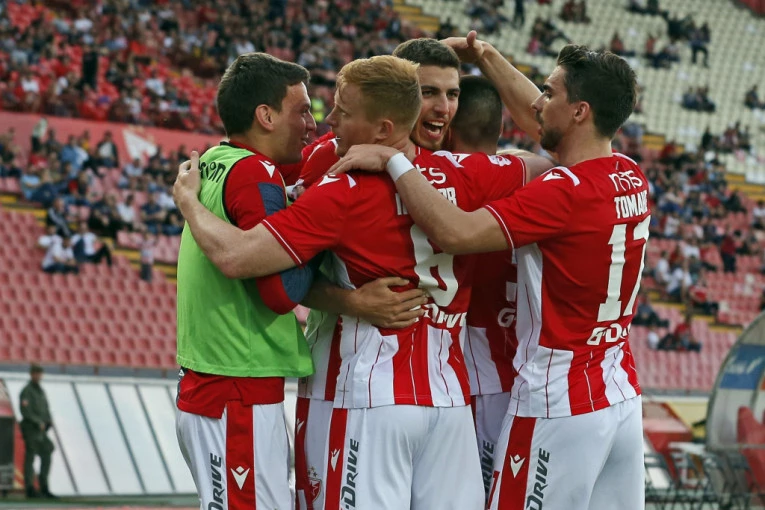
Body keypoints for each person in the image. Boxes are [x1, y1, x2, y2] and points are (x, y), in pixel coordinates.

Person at [174, 55, 551, 510]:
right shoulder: (467, 172)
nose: (329, 120)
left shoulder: (342, 189)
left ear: (383, 128)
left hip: (371, 394)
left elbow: (239, 258)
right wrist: (400, 159)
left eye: (343, 111)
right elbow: (543, 165)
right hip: (450, 397)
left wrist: (189, 203)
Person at [329, 35, 647, 510]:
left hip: (558, 398)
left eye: (549, 93)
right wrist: (486, 55)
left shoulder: (561, 190)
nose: (538, 103)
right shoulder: (629, 173)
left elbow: (455, 232)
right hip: (620, 394)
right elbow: (552, 131)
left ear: (580, 111)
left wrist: (395, 161)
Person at [174, 52, 320, 510]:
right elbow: (279, 292)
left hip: (217, 382)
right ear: (266, 116)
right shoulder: (256, 171)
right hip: (236, 386)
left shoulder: (215, 160)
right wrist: (318, 237)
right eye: (302, 110)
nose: (312, 124)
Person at [446, 75, 520, 500]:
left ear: (448, 129)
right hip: (521, 374)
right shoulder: (534, 178)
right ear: (501, 128)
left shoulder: (442, 178)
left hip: (473, 376)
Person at [19, 364, 55, 499]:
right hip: (31, 429)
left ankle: (44, 486)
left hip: (41, 430)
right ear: (31, 374)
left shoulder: (41, 391)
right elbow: (25, 411)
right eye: (36, 373)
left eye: (40, 374)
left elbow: (46, 408)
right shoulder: (27, 391)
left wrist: (48, 421)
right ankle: (30, 488)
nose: (39, 376)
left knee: (48, 450)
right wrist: (37, 422)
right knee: (30, 457)